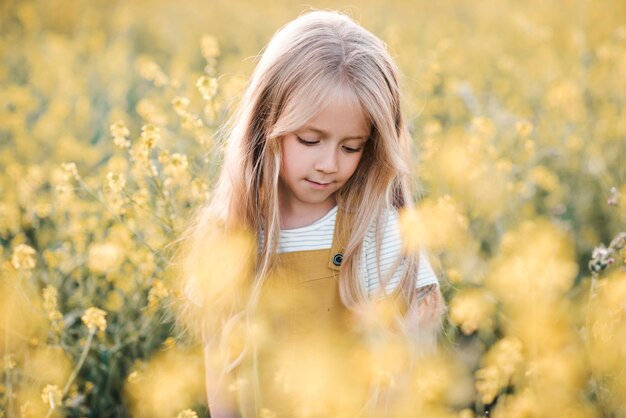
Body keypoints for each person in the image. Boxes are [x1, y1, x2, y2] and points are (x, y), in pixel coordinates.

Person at [175, 9, 446, 418]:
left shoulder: (374, 233)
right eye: (310, 139)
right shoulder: (232, 235)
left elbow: (408, 361)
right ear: (265, 124)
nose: (328, 163)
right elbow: (221, 369)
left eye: (351, 146)